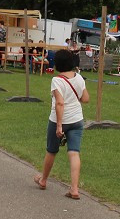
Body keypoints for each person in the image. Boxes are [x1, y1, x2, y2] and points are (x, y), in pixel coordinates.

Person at [33, 49, 89, 200]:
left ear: (57, 64)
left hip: (60, 120)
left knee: (52, 150)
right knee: (74, 152)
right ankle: (75, 189)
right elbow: (85, 99)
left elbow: (59, 103)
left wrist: (59, 126)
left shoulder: (57, 81)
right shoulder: (79, 78)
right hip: (77, 120)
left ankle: (43, 180)